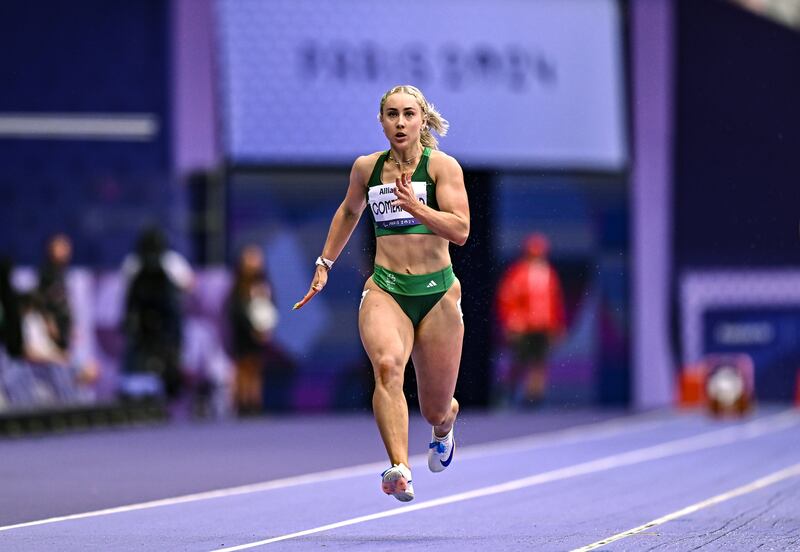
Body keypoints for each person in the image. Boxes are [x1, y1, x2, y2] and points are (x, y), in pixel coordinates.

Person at [293, 85, 469, 502]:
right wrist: (324, 263)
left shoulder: (443, 168)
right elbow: (350, 211)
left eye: (409, 114)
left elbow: (461, 230)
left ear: (422, 120)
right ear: (381, 121)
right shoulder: (366, 169)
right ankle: (400, 468)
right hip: (386, 287)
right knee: (388, 366)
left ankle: (446, 425)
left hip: (437, 293)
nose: (401, 122)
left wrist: (418, 208)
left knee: (434, 409)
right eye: (392, 114)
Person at [496, 233, 566, 408]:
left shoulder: (549, 274)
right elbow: (506, 299)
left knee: (539, 362)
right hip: (524, 327)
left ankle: (534, 398)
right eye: (534, 254)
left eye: (540, 254)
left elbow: (555, 301)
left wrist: (557, 325)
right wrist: (511, 322)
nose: (537, 257)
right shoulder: (517, 273)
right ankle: (508, 394)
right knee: (519, 362)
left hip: (543, 327)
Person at [225, 244, 277, 416]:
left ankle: (254, 404)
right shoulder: (238, 287)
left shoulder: (264, 285)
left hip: (259, 334)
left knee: (255, 367)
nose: (253, 264)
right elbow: (235, 310)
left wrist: (265, 328)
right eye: (250, 260)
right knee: (242, 367)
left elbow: (271, 307)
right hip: (243, 333)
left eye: (256, 260)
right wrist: (250, 328)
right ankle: (241, 404)